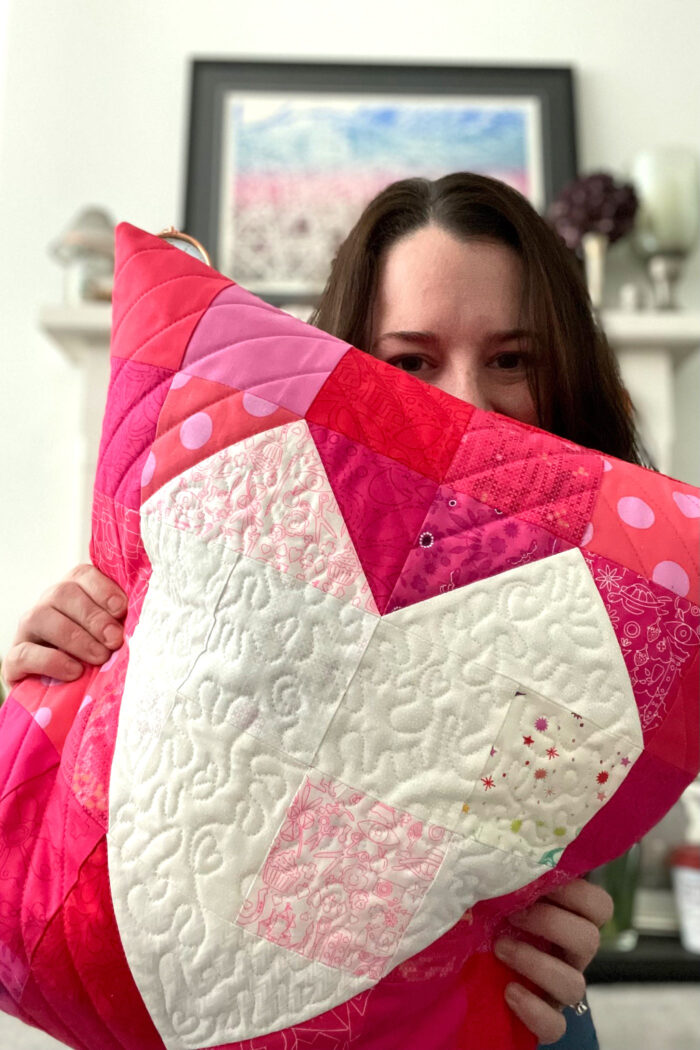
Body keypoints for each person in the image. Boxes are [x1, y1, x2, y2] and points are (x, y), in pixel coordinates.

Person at [3, 172, 634, 1049]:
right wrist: (58, 691)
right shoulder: (241, 576)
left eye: (512, 360)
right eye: (411, 361)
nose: (465, 406)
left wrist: (566, 967)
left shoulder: (613, 633)